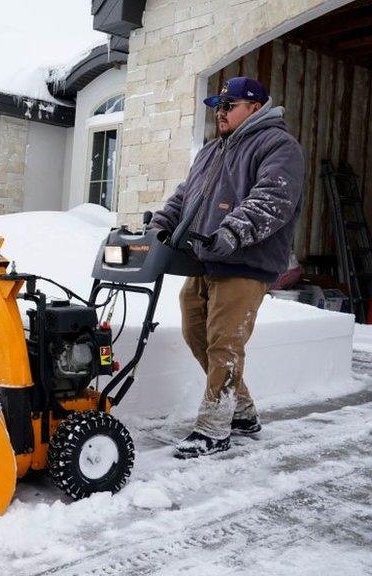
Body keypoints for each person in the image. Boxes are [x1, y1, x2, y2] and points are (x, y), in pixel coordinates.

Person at [147, 76, 305, 459]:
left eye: (228, 105)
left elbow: (272, 200)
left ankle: (214, 429)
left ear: (254, 107)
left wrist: (232, 232)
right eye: (217, 106)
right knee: (195, 331)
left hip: (245, 262)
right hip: (204, 259)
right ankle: (244, 413)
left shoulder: (278, 146)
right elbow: (187, 196)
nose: (220, 112)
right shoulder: (211, 151)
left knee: (224, 343)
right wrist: (159, 226)